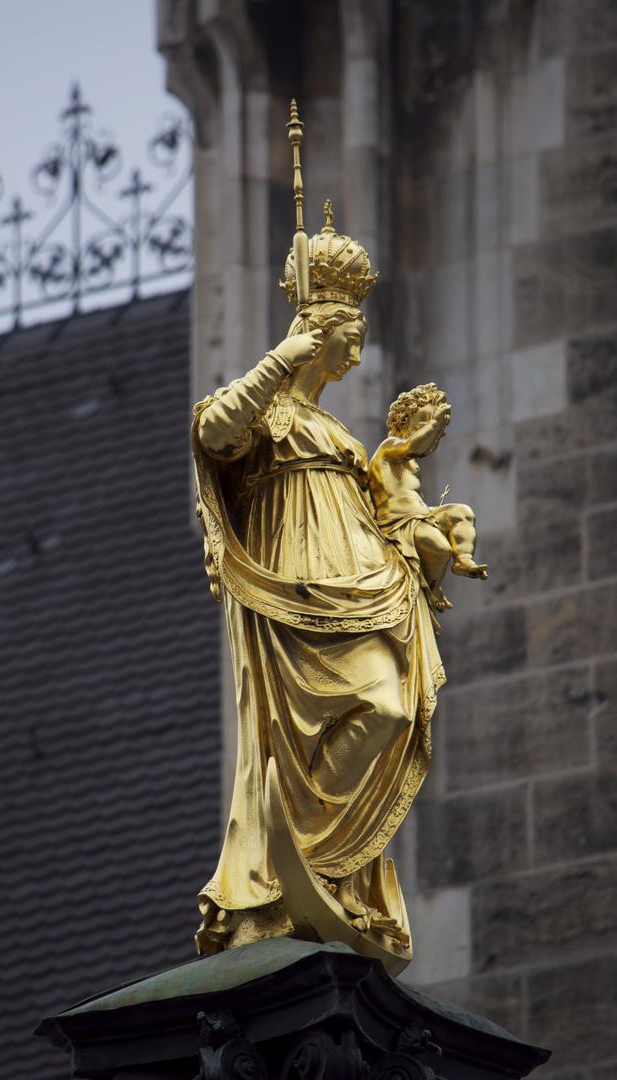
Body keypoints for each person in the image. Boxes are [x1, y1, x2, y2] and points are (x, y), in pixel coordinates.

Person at [191, 212, 446, 958]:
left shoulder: (338, 434)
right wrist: (277, 360)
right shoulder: (266, 410)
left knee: (393, 706)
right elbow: (212, 436)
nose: (358, 346)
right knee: (370, 702)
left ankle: (324, 866)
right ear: (317, 330)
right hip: (295, 592)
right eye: (350, 332)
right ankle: (287, 865)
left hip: (357, 583)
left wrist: (414, 499)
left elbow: (387, 516)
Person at [368, 383, 488, 614]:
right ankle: (431, 589)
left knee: (462, 512)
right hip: (398, 521)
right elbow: (417, 446)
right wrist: (435, 423)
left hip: (421, 515)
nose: (431, 433)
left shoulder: (410, 463)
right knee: (441, 548)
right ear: (403, 422)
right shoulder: (389, 447)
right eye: (421, 425)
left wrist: (435, 425)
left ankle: (463, 559)